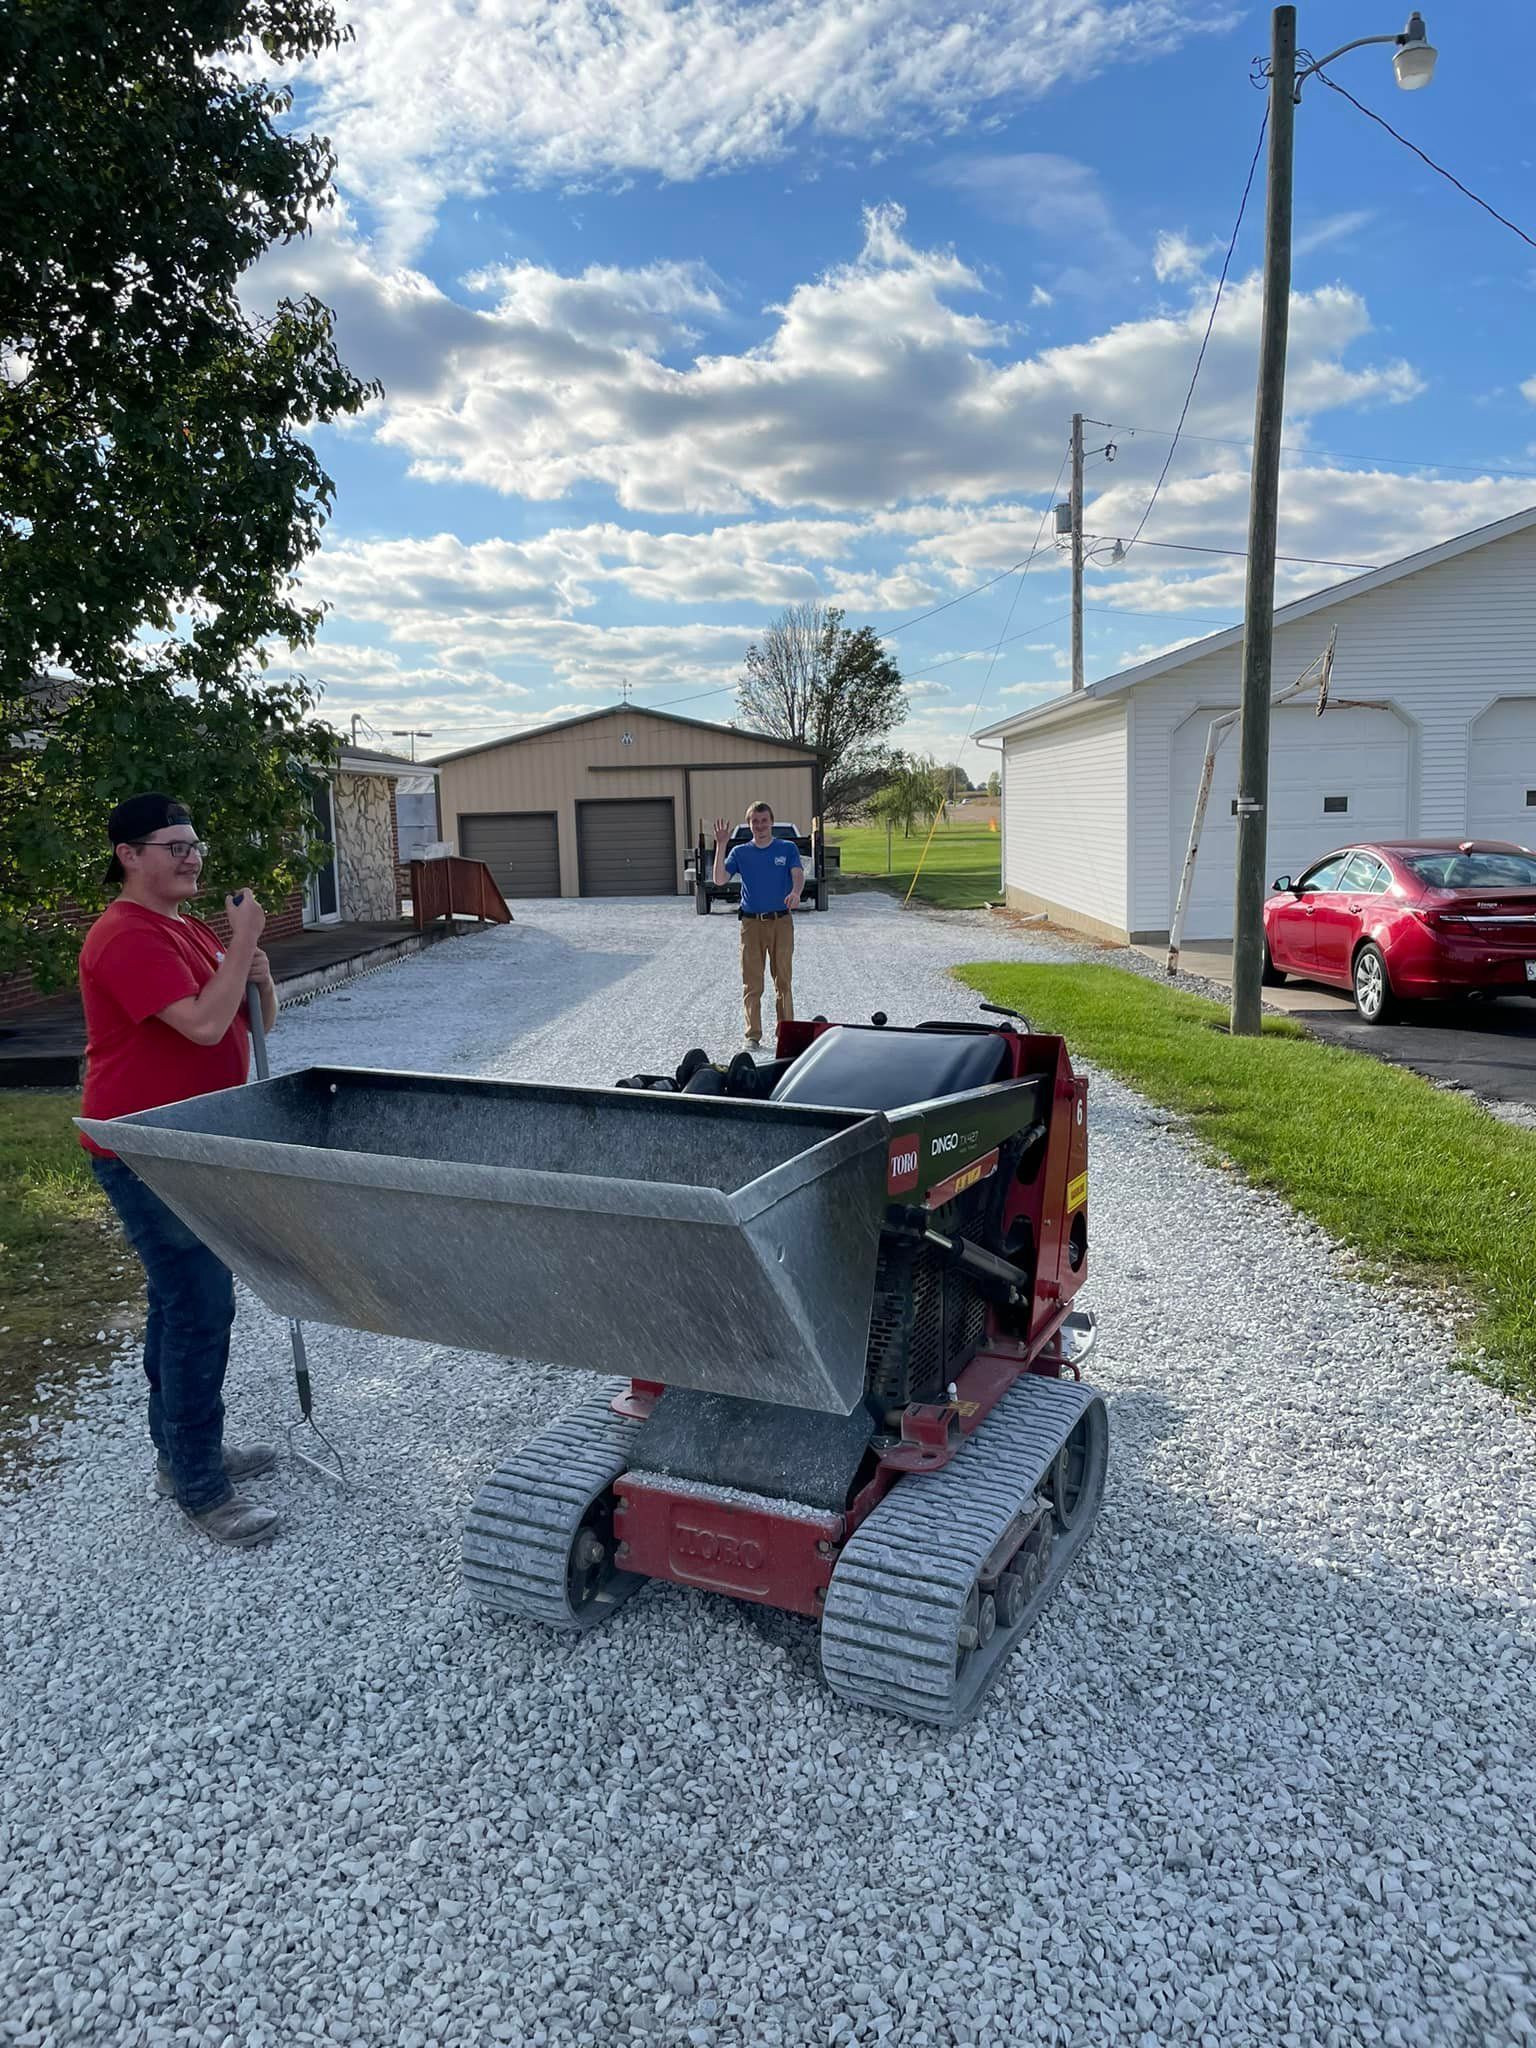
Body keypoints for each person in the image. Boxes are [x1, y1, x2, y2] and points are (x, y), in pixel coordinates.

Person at [78, 793, 281, 1548]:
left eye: (195, 843)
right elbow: (197, 1026)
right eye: (174, 845)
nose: (192, 856)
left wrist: (255, 972)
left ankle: (183, 1456)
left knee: (179, 1304)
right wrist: (242, 945)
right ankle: (201, 1487)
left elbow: (250, 1022)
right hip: (145, 1149)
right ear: (130, 856)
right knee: (199, 1308)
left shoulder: (186, 927)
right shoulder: (124, 935)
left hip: (191, 1145)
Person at [714, 802, 803, 1053]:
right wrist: (721, 845)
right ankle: (752, 1035)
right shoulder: (741, 853)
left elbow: (797, 873)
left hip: (781, 922)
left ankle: (786, 1034)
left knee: (783, 981)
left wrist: (796, 892)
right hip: (751, 924)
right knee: (752, 983)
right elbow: (720, 879)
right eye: (755, 821)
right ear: (750, 824)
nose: (760, 826)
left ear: (771, 822)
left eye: (764, 821)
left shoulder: (787, 848)